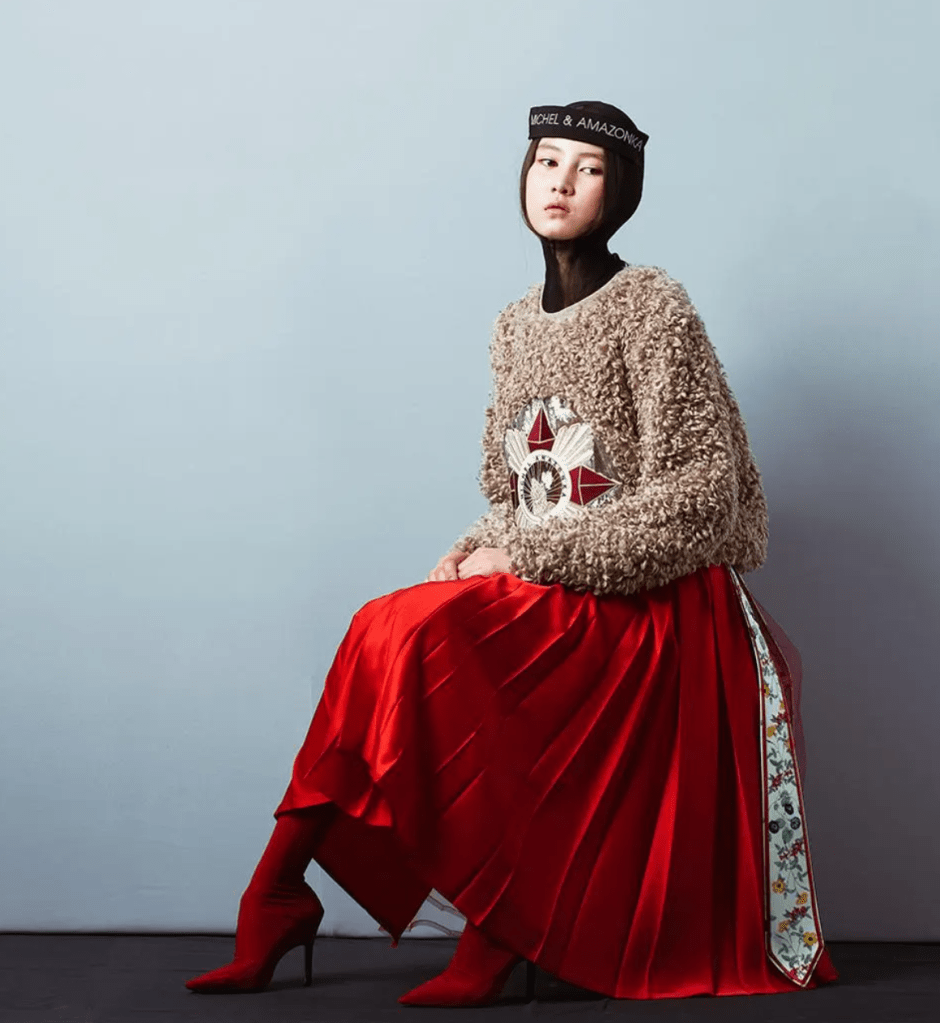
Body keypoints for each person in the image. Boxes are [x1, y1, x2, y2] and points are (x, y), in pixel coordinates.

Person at [185, 100, 837, 1006]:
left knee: (418, 638)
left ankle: (489, 929)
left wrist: (523, 557)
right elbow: (519, 487)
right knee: (382, 625)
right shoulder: (513, 324)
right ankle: (277, 890)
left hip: (656, 602)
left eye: (588, 169)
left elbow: (700, 497)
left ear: (620, 192)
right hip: (558, 578)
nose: (560, 183)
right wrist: (478, 549)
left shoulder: (653, 306)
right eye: (545, 162)